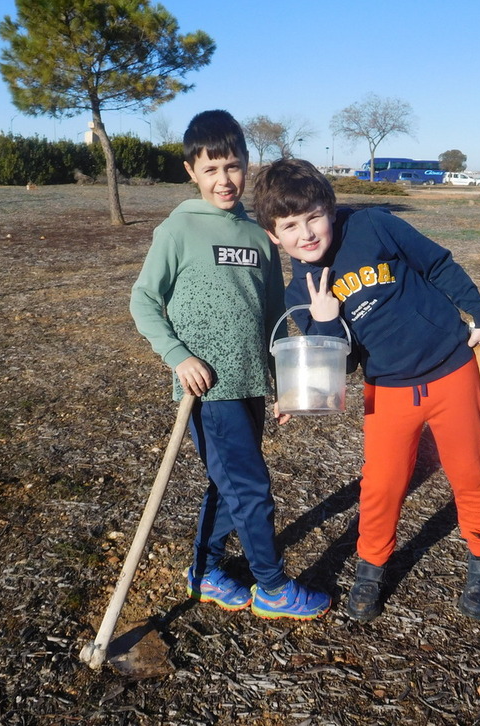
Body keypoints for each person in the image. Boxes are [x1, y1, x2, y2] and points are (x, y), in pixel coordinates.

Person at [252, 157, 480, 622]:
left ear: (329, 207)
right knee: (383, 484)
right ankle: (371, 567)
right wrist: (324, 324)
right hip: (386, 389)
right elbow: (339, 368)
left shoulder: (373, 226)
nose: (305, 233)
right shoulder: (298, 295)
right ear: (273, 235)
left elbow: (437, 263)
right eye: (289, 226)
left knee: (468, 469)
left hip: (451, 367)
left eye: (312, 217)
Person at [129, 112, 330, 621]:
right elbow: (144, 301)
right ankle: (271, 585)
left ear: (247, 167)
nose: (225, 180)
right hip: (207, 390)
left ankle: (206, 571)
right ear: (190, 170)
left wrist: (283, 382)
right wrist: (178, 356)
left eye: (234, 167)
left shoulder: (259, 235)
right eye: (212, 168)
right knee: (251, 487)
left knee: (229, 484)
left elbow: (270, 314)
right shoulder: (177, 229)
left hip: (248, 384)